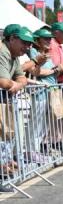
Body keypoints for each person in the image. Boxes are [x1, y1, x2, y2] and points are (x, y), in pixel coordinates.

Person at [0, 24, 33, 189]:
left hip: (4, 102)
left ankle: (3, 175)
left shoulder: (14, 55)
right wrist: (14, 84)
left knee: (4, 139)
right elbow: (3, 82)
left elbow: (23, 79)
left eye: (29, 44)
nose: (27, 47)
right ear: (12, 38)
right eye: (24, 42)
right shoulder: (2, 51)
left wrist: (16, 85)